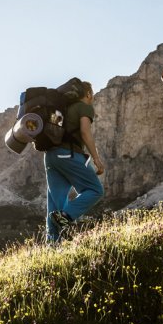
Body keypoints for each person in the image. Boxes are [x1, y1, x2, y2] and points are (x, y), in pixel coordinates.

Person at [46, 81, 105, 242]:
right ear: (87, 94)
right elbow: (85, 133)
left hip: (50, 156)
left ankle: (52, 246)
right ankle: (66, 216)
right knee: (95, 190)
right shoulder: (84, 107)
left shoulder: (62, 109)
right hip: (68, 154)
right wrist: (96, 159)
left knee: (55, 203)